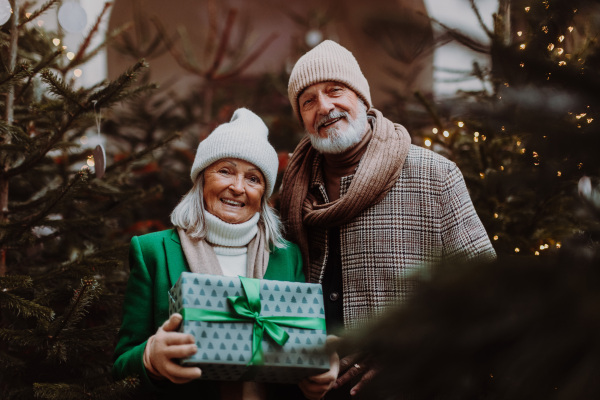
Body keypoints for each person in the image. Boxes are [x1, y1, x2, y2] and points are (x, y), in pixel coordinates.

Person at [279, 40, 497, 399]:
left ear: (363, 98)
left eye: (335, 90)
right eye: (309, 100)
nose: (325, 106)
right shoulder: (293, 189)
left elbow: (486, 293)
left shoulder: (434, 176)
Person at [113, 108, 338, 400]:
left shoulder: (288, 256)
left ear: (264, 194)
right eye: (225, 171)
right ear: (202, 179)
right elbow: (120, 368)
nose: (238, 187)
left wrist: (319, 371)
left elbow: (299, 349)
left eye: (254, 178)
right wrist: (149, 358)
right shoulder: (153, 252)